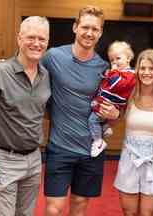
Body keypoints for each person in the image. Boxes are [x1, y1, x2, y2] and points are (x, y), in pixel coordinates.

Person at [40, 6, 120, 216]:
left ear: (100, 32)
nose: (89, 33)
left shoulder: (104, 68)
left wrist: (115, 116)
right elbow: (27, 69)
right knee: (54, 209)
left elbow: (114, 109)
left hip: (91, 151)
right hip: (60, 148)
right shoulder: (53, 57)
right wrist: (4, 65)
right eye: (85, 27)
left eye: (95, 29)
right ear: (75, 27)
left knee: (80, 206)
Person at [0, 16, 50, 215]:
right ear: (19, 39)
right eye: (31, 37)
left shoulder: (46, 75)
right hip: (4, 159)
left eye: (42, 39)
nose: (36, 43)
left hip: (34, 159)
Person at [114, 49, 153, 216]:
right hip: (129, 159)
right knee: (128, 212)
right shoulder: (128, 95)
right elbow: (113, 118)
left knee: (149, 213)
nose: (146, 72)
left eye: (151, 69)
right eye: (142, 68)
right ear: (137, 70)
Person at [89, 41, 136, 157]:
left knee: (92, 120)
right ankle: (105, 127)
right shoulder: (120, 72)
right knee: (95, 112)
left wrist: (113, 72)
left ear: (128, 58)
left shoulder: (130, 74)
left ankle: (98, 141)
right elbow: (107, 84)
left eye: (118, 58)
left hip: (111, 103)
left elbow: (116, 84)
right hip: (106, 101)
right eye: (112, 60)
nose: (114, 62)